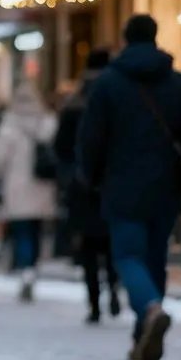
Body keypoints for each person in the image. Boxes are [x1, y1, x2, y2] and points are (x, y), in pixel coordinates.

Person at [79, 14, 181, 360]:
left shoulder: (108, 84)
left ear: (125, 38)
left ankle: (150, 310)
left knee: (128, 255)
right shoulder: (177, 82)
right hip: (165, 184)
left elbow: (91, 138)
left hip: (121, 183)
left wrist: (90, 176)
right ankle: (144, 334)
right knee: (155, 258)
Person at [54, 50, 121, 324]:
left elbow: (60, 147)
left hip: (81, 184)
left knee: (88, 247)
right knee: (112, 241)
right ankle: (114, 288)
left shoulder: (74, 103)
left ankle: (94, 303)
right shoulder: (119, 99)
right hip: (113, 181)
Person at [0, 80, 58, 303]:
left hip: (17, 186)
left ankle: (25, 269)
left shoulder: (9, 125)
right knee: (37, 231)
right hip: (42, 186)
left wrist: (1, 176)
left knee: (22, 231)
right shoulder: (47, 123)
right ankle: (32, 268)